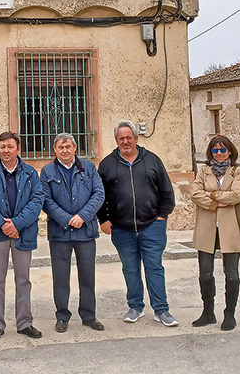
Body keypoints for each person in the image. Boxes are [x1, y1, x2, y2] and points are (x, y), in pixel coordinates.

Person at [97, 120, 178, 327]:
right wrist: (103, 219)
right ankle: (135, 307)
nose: (125, 141)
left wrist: (162, 216)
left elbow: (166, 191)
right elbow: (99, 196)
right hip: (121, 228)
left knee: (154, 267)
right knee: (130, 269)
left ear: (136, 138)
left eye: (128, 137)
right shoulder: (107, 164)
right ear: (116, 141)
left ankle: (161, 310)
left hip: (152, 225)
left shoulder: (152, 160)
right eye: (121, 138)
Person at [0, 132, 46, 341]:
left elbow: (37, 200)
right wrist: (3, 224)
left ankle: (24, 323)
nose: (6, 150)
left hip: (23, 232)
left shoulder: (30, 173)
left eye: (10, 146)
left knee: (23, 279)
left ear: (18, 149)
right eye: (2, 147)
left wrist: (16, 223)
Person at [40, 132, 105, 333]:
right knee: (61, 277)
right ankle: (62, 316)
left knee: (87, 276)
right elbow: (45, 200)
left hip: (85, 232)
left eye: (68, 146)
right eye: (61, 147)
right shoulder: (47, 171)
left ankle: (89, 316)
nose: (65, 150)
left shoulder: (89, 168)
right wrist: (67, 219)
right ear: (55, 149)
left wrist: (82, 216)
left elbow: (99, 194)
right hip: (59, 233)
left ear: (75, 148)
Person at [189, 135, 240, 331]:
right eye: (215, 150)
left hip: (230, 229)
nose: (220, 153)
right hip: (206, 228)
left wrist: (211, 195)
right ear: (211, 152)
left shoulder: (237, 171)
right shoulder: (204, 171)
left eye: (223, 150)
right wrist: (217, 202)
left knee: (231, 273)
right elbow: (194, 194)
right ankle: (208, 312)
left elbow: (237, 195)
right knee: (205, 273)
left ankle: (230, 314)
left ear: (230, 151)